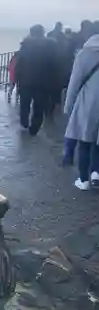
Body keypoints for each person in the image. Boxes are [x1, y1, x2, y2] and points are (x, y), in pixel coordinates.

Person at [64, 21, 99, 190]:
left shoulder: (85, 53)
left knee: (85, 140)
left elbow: (74, 82)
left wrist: (68, 106)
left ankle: (84, 180)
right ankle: (96, 173)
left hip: (89, 102)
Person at [15, 24, 61, 136]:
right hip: (44, 83)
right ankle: (34, 128)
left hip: (26, 81)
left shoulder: (25, 45)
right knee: (39, 106)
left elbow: (19, 64)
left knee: (24, 104)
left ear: (31, 33)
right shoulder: (51, 46)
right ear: (43, 32)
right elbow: (55, 66)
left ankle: (24, 122)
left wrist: (17, 78)